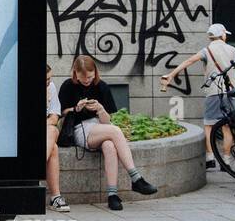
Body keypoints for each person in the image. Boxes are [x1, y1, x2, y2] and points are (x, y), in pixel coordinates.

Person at [58, 54, 159, 211]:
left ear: (95, 73)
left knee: (110, 146)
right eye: (82, 77)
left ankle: (112, 195)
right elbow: (61, 113)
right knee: (116, 131)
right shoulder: (68, 86)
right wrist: (75, 108)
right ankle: (135, 178)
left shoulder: (101, 86)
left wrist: (100, 109)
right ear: (75, 72)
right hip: (80, 129)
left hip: (100, 127)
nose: (86, 81)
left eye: (90, 77)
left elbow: (106, 120)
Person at [159, 23, 235, 170]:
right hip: (231, 93)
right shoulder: (233, 50)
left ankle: (210, 157)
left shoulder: (207, 51)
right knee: (227, 127)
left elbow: (189, 61)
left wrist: (171, 74)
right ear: (223, 35)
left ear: (211, 37)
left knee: (209, 125)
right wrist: (234, 83)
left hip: (213, 92)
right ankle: (226, 162)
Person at [45, 64, 69, 212]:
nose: (49, 82)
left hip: (45, 130)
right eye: (45, 80)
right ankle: (55, 196)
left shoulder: (51, 87)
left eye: (50, 79)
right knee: (53, 147)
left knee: (52, 130)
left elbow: (54, 117)